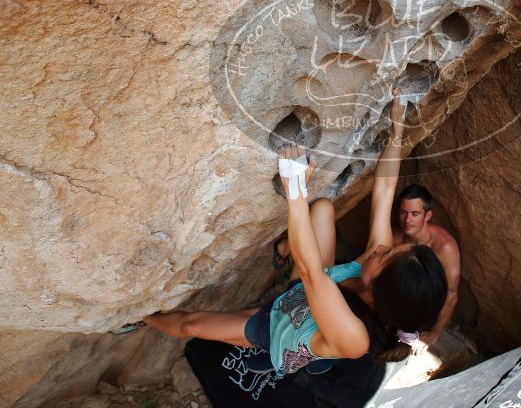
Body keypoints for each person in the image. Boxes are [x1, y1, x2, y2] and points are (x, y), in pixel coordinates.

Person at [141, 91, 448, 376]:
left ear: (379, 290)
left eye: (386, 256)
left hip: (279, 328)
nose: (382, 247)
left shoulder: (356, 340)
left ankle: (140, 319)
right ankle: (286, 252)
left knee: (190, 324)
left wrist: (296, 184)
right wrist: (396, 130)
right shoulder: (377, 268)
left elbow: (313, 273)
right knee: (323, 209)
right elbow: (384, 190)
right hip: (307, 290)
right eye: (395, 248)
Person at [393, 184, 460, 351]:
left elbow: (451, 294)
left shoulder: (444, 247)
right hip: (398, 295)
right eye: (403, 212)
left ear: (427, 215)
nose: (407, 220)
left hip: (424, 304)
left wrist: (435, 333)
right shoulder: (397, 234)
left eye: (415, 214)